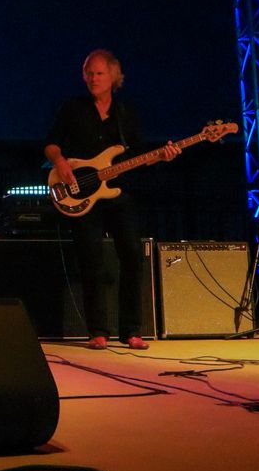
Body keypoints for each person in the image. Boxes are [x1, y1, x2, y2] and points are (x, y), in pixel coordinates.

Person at [45, 49, 179, 350]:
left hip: (120, 194)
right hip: (82, 194)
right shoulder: (72, 108)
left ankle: (131, 330)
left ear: (114, 76)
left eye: (99, 73)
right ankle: (98, 332)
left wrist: (162, 156)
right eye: (89, 73)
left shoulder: (126, 112)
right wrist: (60, 161)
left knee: (132, 256)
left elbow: (139, 154)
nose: (93, 78)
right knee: (91, 260)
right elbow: (51, 143)